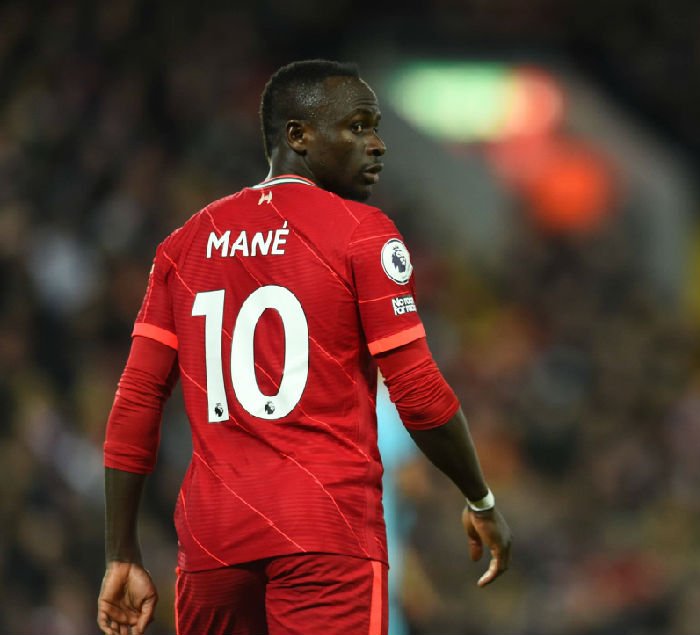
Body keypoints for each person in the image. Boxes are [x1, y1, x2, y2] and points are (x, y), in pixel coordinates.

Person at [96, 59, 511, 635]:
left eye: (375, 128)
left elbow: (136, 401)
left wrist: (121, 553)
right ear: (298, 136)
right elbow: (417, 392)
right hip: (324, 532)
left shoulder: (185, 244)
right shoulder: (362, 233)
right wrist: (480, 498)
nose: (377, 145)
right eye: (358, 127)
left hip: (212, 542)